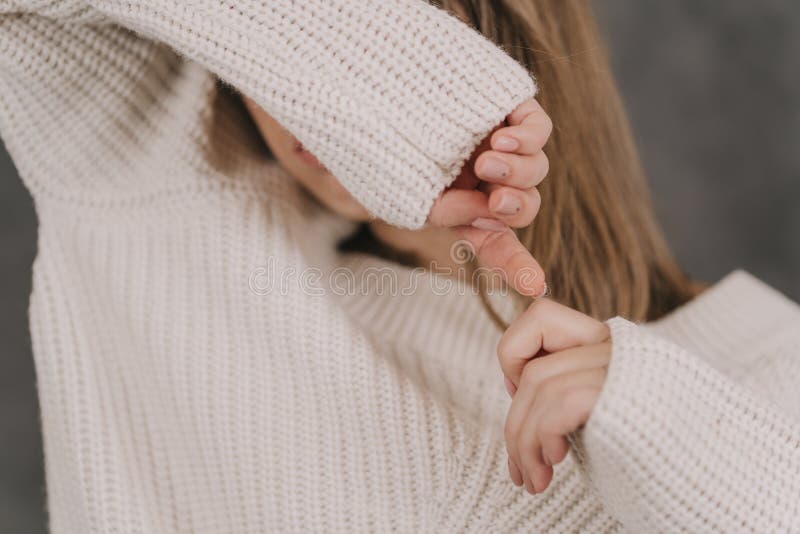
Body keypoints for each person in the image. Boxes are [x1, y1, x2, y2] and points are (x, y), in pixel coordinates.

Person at [0, 1, 798, 533]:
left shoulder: (765, 363)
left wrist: (656, 422)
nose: (308, 99)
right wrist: (411, 108)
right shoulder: (167, 199)